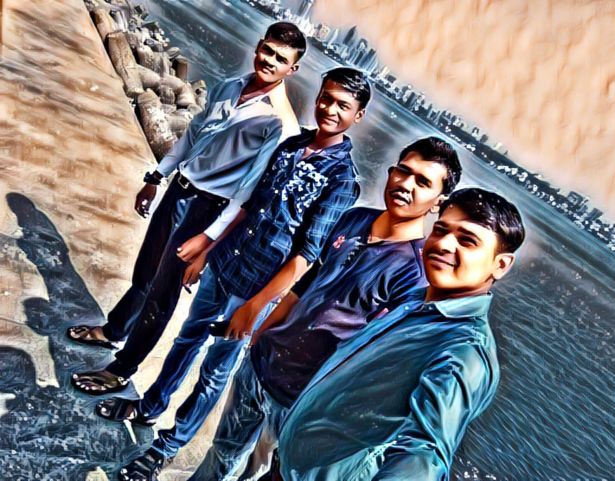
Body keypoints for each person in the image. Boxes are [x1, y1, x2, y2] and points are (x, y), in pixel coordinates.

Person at [104, 68, 372, 481]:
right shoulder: (291, 145)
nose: (329, 109)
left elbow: (306, 254)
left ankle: (165, 448)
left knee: (214, 372)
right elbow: (248, 205)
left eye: (343, 105)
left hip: (256, 289)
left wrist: (256, 306)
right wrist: (207, 251)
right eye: (326, 98)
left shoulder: (342, 180)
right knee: (186, 340)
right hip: (227, 263)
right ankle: (150, 406)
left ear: (358, 115)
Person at [184, 137, 463, 481]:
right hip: (261, 367)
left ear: (439, 202)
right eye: (403, 172)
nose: (406, 185)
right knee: (221, 455)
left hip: (302, 400)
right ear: (391, 172)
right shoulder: (354, 219)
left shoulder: (412, 274)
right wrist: (260, 335)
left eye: (423, 182)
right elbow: (305, 285)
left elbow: (375, 355)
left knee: (259, 473)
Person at [67, 22, 306, 393]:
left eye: (280, 59)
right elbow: (193, 134)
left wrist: (208, 240)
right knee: (145, 273)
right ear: (259, 46)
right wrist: (156, 176)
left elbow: (247, 192)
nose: (269, 61)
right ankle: (114, 330)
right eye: (267, 51)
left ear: (292, 69)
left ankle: (121, 369)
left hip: (207, 209)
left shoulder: (280, 124)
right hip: (178, 190)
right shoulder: (230, 85)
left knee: (162, 295)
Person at [276, 187, 525, 481]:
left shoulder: (464, 351)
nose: (444, 244)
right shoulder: (417, 303)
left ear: (500, 265)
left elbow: (423, 456)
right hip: (291, 466)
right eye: (440, 230)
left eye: (467, 241)